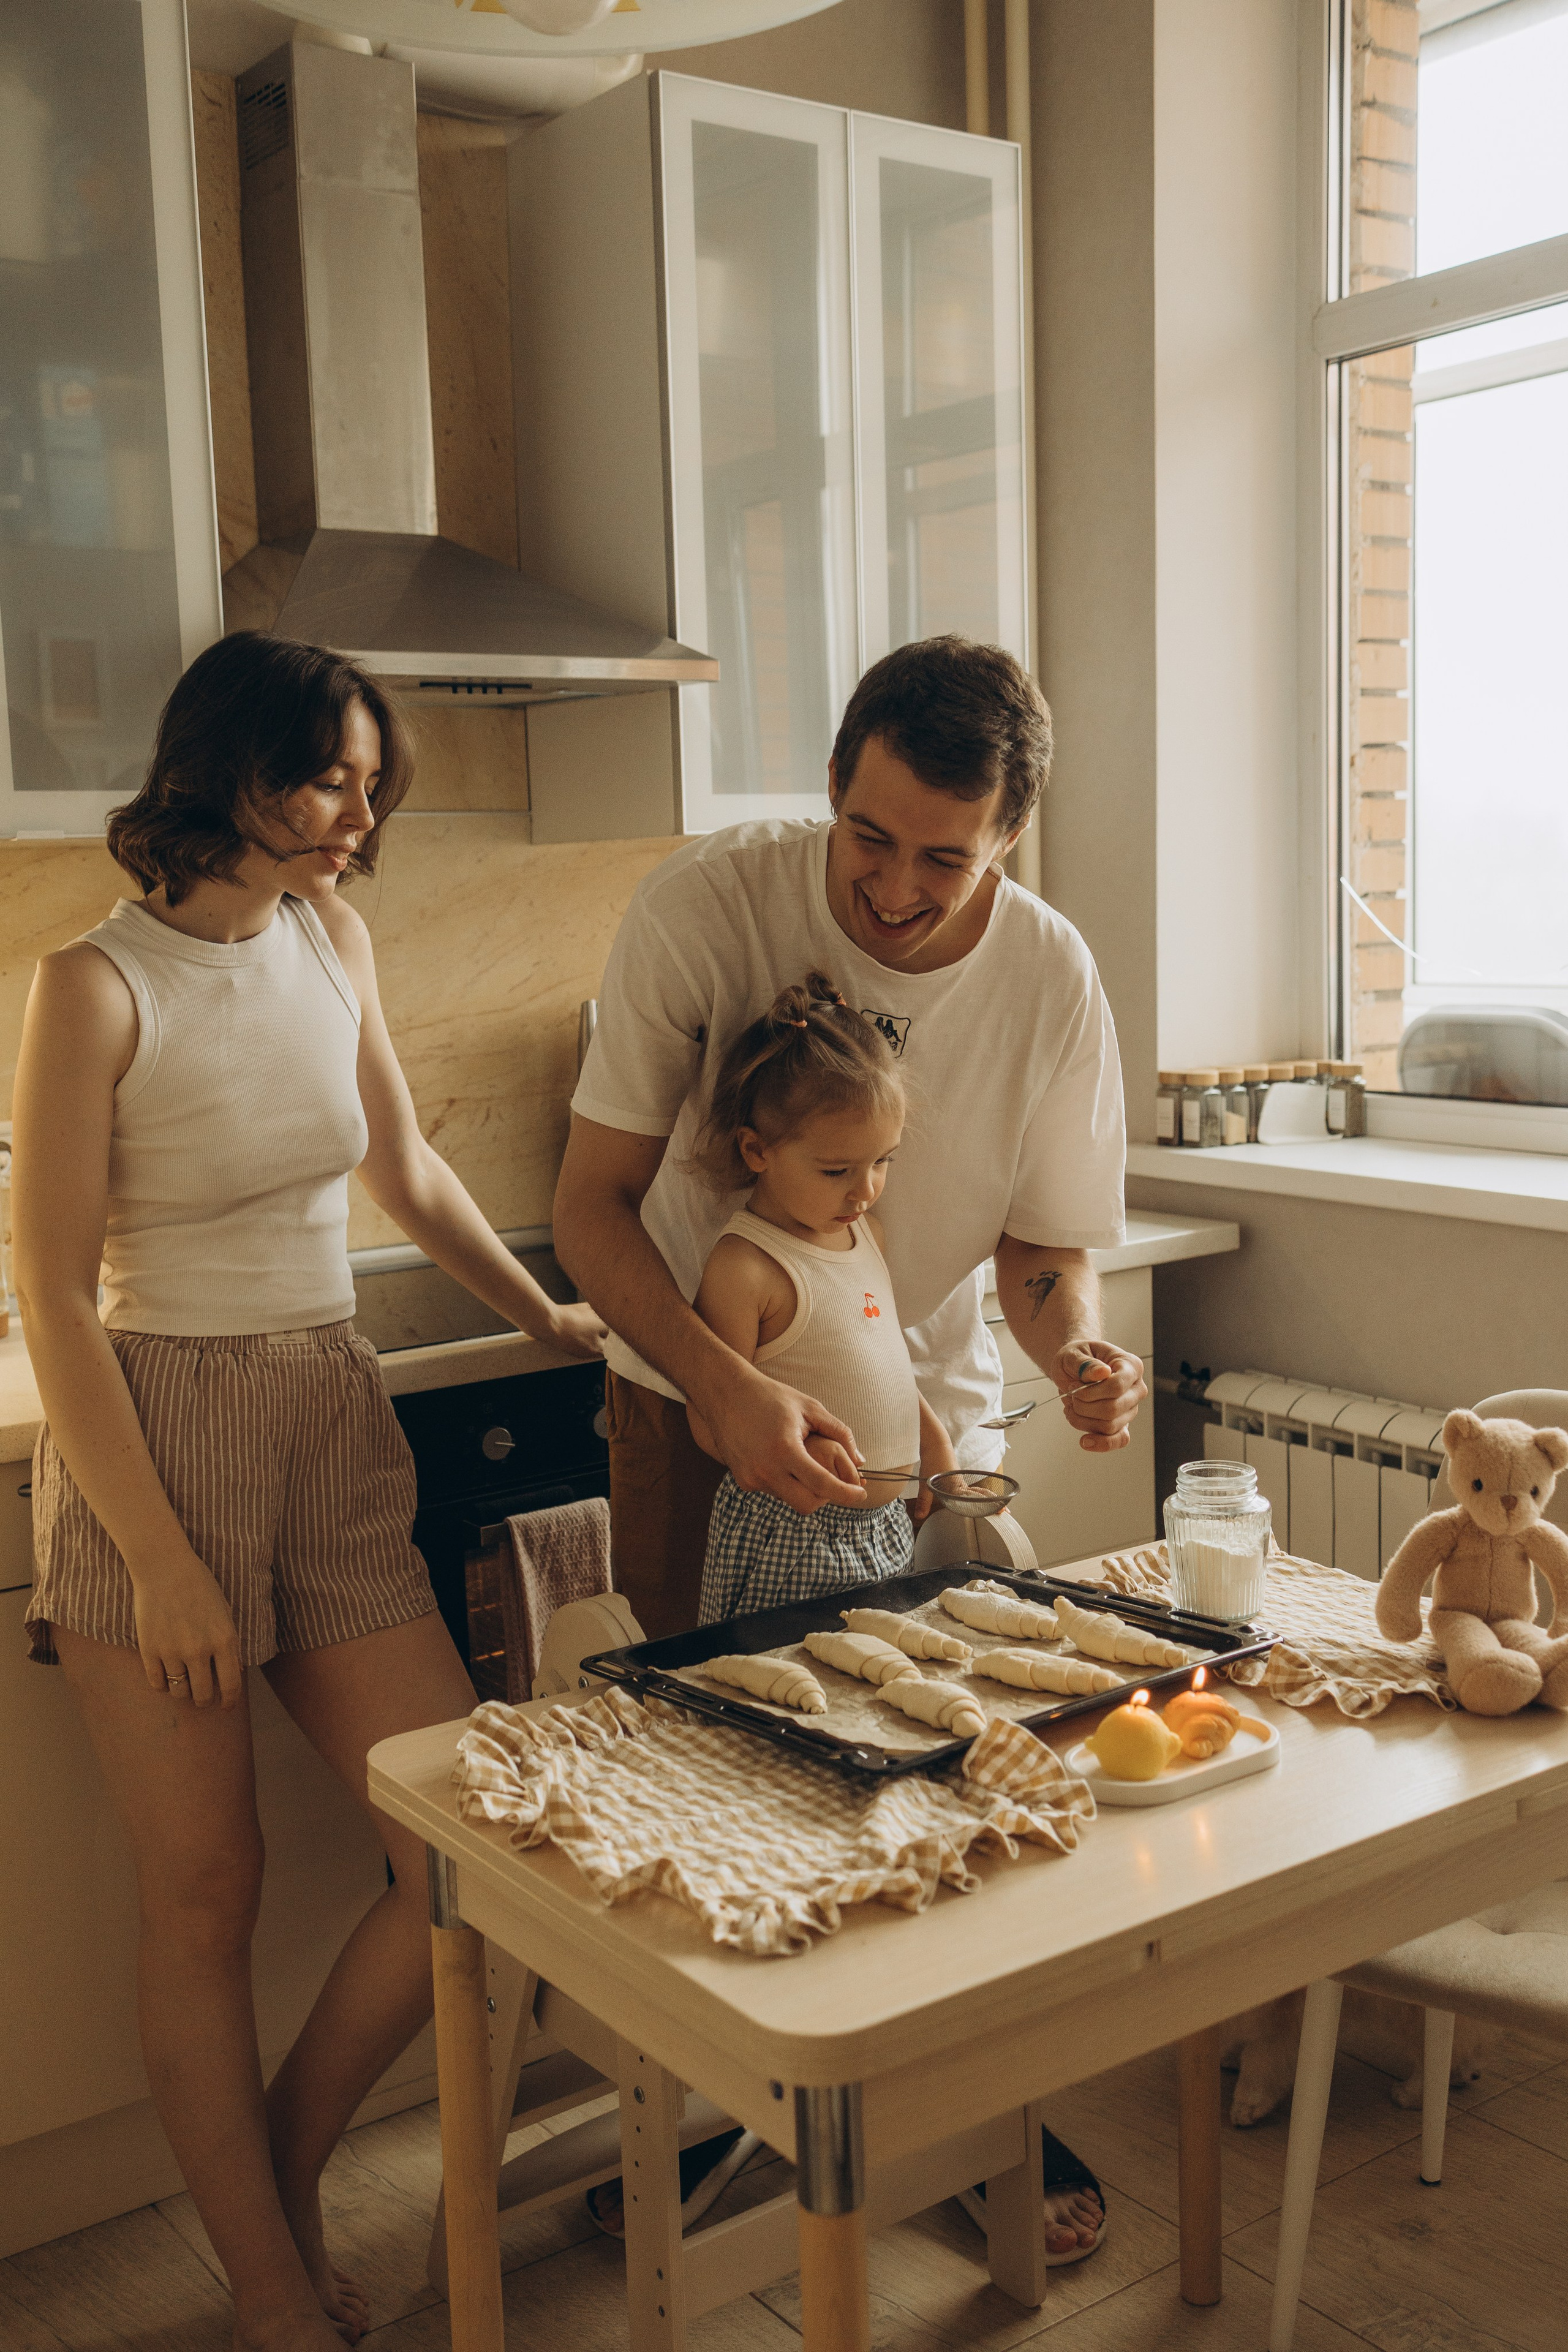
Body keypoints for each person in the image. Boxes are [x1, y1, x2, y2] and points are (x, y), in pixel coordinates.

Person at [12, 631, 605, 2352]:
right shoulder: (91, 985)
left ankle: (273, 2164)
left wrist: (541, 1313)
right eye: (331, 779)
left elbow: (404, 1169)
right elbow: (54, 1294)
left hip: (332, 1421)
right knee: (209, 1895)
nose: (362, 813)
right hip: (156, 1438)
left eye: (370, 782)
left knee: (460, 1837)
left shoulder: (333, 938)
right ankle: (266, 2273)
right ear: (231, 770)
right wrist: (157, 1559)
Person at [556, 633, 1141, 2261]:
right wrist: (721, 1390)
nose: (892, 889)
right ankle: (704, 2113)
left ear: (1007, 840)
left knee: (937, 1767)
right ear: (830, 782)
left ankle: (969, 2107)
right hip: (697, 1394)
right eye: (868, 837)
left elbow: (1041, 1253)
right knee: (718, 1776)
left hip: (918, 1413)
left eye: (943, 859)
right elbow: (590, 1208)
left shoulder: (1048, 977)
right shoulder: (706, 907)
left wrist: (1075, 1353)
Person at [688, 971, 956, 1624]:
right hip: (790, 1530)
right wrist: (800, 1454)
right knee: (781, 1677)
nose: (865, 1190)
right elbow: (710, 1413)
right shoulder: (745, 1267)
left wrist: (931, 1439)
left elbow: (883, 1361)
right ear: (757, 1150)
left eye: (882, 1161)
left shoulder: (868, 1236)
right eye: (837, 1170)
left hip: (883, 1530)